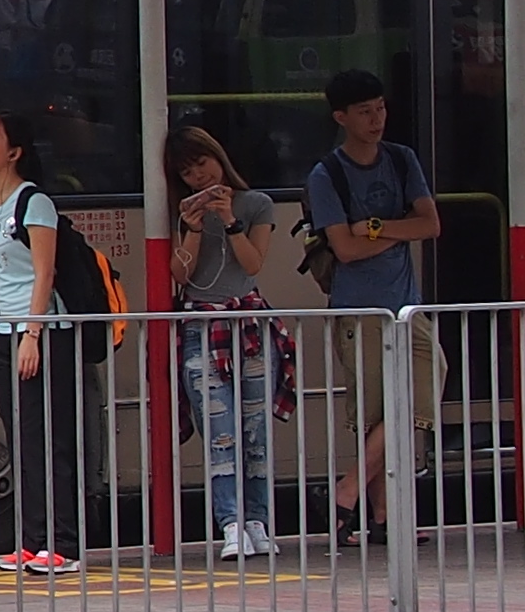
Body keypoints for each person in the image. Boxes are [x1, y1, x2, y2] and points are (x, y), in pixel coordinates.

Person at [305, 67, 443, 548]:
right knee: (380, 412)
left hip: (407, 305)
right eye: (365, 111)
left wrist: (375, 227)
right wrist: (388, 229)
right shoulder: (328, 175)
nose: (376, 118)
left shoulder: (402, 160)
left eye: (380, 107)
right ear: (341, 117)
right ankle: (382, 514)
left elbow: (429, 225)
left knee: (418, 393)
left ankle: (346, 491)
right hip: (358, 308)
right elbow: (344, 249)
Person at [0, 104, 94, 577]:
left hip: (42, 333)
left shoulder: (34, 203)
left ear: (15, 151)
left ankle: (64, 541)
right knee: (23, 438)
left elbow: (45, 273)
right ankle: (30, 540)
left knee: (52, 435)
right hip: (3, 331)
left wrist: (32, 333)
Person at [167, 119, 286, 563]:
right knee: (220, 432)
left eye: (202, 164)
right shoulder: (181, 214)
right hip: (202, 326)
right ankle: (230, 523)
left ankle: (257, 519)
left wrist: (230, 221)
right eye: (188, 174)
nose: (200, 178)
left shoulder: (257, 204)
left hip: (248, 323)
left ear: (218, 157)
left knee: (254, 430)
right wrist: (194, 227)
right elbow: (181, 274)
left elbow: (253, 263)